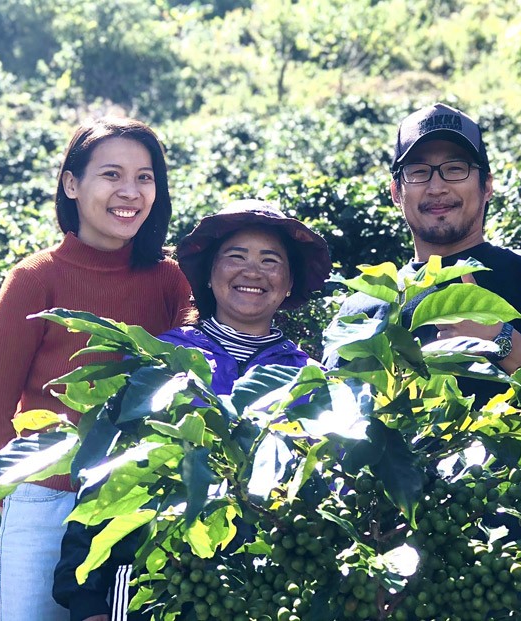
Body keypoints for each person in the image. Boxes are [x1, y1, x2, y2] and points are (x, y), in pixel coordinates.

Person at [53, 199, 332, 621]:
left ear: (289, 282)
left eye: (270, 260)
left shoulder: (310, 379)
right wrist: (87, 599)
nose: (252, 272)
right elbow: (105, 473)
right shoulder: (163, 359)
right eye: (235, 257)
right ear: (209, 274)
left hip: (264, 591)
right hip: (157, 580)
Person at [0, 117, 193, 621]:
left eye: (145, 177)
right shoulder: (33, 281)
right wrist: (22, 505)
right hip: (45, 502)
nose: (130, 192)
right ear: (72, 184)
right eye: (111, 175)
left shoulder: (172, 281)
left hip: (134, 504)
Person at [325, 102, 521, 403]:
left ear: (487, 185)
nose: (436, 187)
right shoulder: (361, 309)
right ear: (396, 191)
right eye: (419, 172)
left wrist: (501, 339)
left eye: (454, 169)